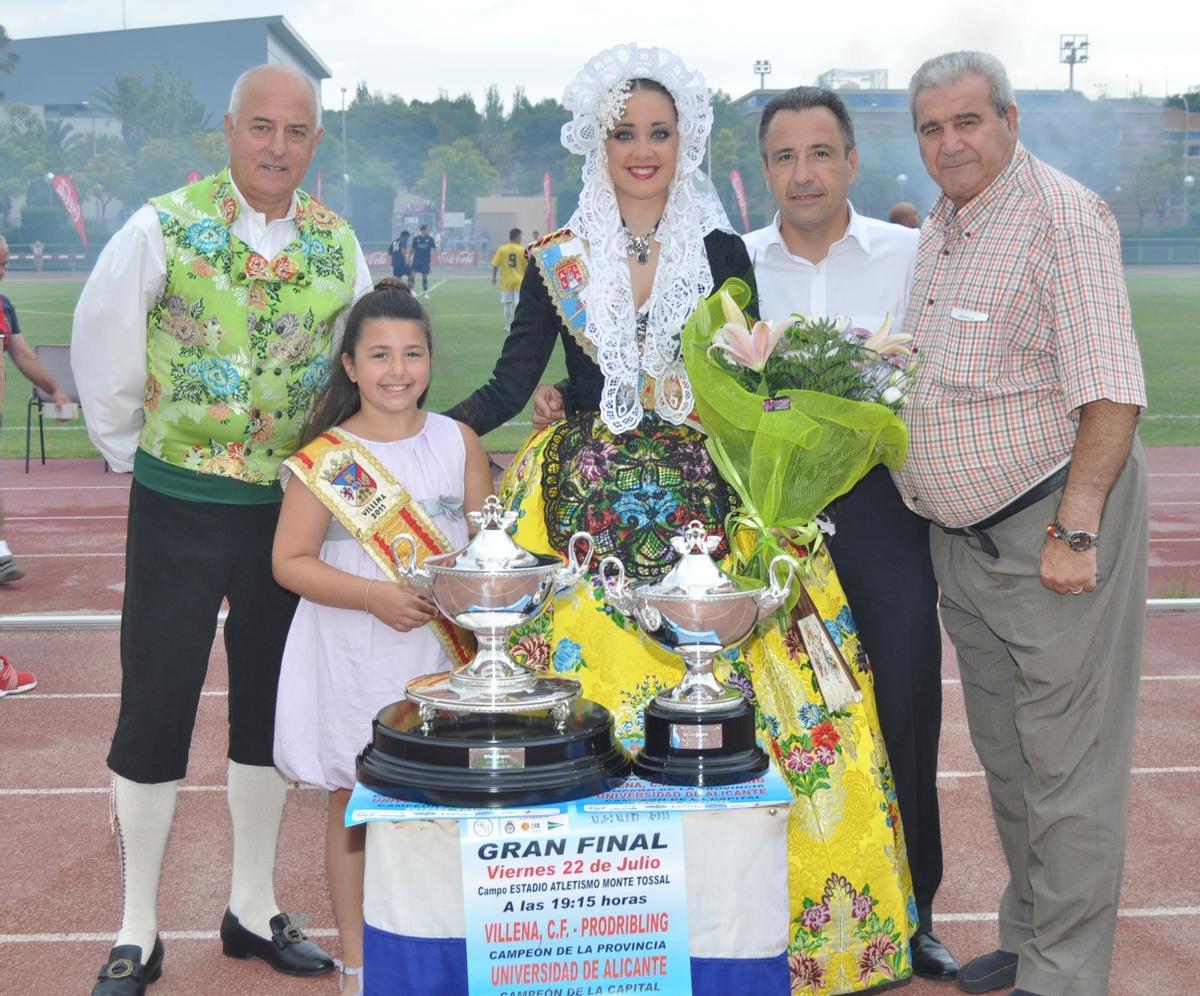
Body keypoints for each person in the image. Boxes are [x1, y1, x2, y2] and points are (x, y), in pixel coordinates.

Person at [450, 44, 914, 994]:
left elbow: (743, 382)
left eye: (661, 133)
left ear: (685, 140)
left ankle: (748, 937)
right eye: (625, 133)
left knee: (770, 714)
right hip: (582, 513)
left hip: (706, 511)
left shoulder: (723, 250)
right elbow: (511, 381)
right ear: (597, 141)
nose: (643, 150)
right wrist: (405, 425)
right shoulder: (555, 259)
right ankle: (587, 941)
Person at [72, 63, 374, 995]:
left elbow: (356, 373)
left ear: (315, 142)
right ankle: (138, 925)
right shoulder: (159, 226)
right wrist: (141, 458)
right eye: (261, 128)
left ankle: (250, 904)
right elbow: (105, 351)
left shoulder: (338, 244)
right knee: (155, 705)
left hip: (284, 518)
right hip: (176, 502)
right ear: (230, 131)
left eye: (297, 132)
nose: (278, 147)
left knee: (268, 713)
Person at [897, 51, 1147, 996]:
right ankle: (1033, 932)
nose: (949, 143)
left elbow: (1112, 390)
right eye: (931, 128)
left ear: (1009, 118)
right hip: (967, 549)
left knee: (1070, 770)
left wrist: (1077, 529)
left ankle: (1065, 976)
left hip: (1051, 531)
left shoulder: (1060, 217)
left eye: (967, 122)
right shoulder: (948, 221)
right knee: (1009, 759)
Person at [743, 86, 956, 982]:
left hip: (884, 510)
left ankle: (915, 910)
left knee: (902, 702)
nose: (803, 173)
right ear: (765, 171)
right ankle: (784, 909)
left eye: (820, 153)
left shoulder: (913, 252)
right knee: (782, 717)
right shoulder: (734, 263)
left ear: (852, 161)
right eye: (785, 156)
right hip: (777, 515)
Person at [272, 278, 492, 995]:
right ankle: (360, 966)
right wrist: (372, 595)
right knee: (357, 798)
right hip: (354, 650)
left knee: (452, 800)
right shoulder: (328, 456)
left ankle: (450, 952)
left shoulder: (457, 441)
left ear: (431, 361)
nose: (397, 371)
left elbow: (489, 546)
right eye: (379, 355)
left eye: (413, 353)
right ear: (351, 366)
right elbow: (288, 562)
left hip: (443, 651)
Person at [0, 236, 73, 583]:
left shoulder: (3, 306)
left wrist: (55, 388)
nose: (4, 272)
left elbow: (23, 356)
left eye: (6, 265)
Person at [490, 227, 527, 331]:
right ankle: (519, 325)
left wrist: (493, 277)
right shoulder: (522, 250)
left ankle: (508, 325)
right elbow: (527, 266)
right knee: (518, 303)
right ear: (516, 237)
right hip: (519, 281)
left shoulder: (502, 249)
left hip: (506, 281)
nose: (521, 239)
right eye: (520, 237)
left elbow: (495, 264)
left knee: (507, 304)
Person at [409, 225, 436, 296]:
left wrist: (436, 256)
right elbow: (413, 249)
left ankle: (425, 292)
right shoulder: (416, 238)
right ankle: (411, 291)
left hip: (425, 261)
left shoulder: (430, 239)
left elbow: (434, 249)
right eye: (427, 230)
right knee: (412, 275)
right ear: (423, 230)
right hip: (416, 260)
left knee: (425, 276)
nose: (429, 231)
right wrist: (409, 257)